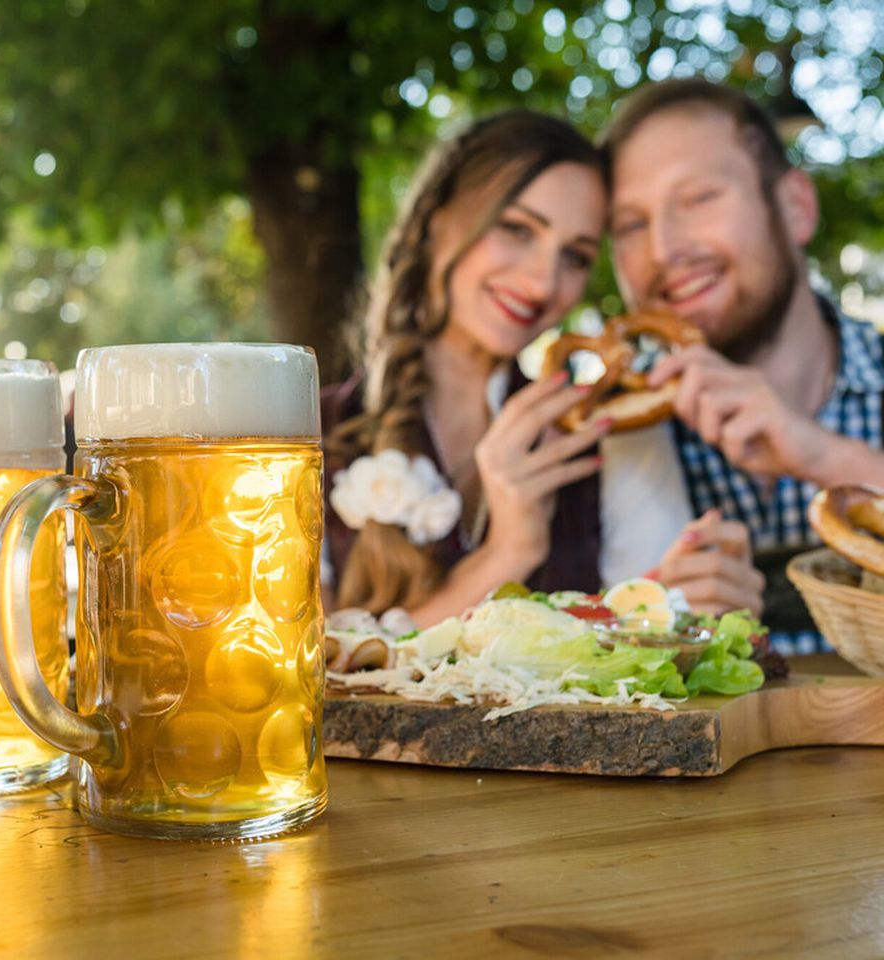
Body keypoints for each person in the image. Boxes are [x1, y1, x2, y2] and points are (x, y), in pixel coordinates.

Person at [600, 78, 884, 653]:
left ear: (795, 208)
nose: (663, 250)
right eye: (630, 225)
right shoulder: (607, 443)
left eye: (699, 198)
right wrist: (652, 625)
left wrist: (824, 456)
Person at [323, 110, 610, 625]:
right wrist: (505, 556)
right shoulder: (305, 438)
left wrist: (666, 592)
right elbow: (311, 674)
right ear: (436, 220)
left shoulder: (591, 445)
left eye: (576, 257)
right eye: (518, 229)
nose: (544, 283)